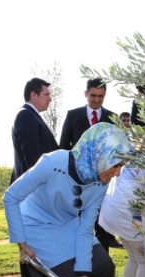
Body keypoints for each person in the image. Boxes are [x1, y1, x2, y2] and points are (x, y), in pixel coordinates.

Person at [4, 122, 132, 277]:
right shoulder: (53, 163)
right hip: (35, 223)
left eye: (121, 166)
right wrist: (20, 242)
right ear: (99, 154)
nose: (117, 173)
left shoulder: (101, 182)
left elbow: (84, 228)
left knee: (103, 268)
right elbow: (10, 197)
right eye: (116, 164)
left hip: (67, 223)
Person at [59, 78, 122, 251]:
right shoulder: (73, 116)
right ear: (86, 93)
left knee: (102, 227)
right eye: (93, 95)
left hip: (102, 185)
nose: (96, 99)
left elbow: (117, 152)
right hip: (77, 185)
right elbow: (64, 148)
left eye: (101, 96)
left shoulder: (112, 118)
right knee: (78, 227)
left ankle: (101, 268)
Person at [11, 77, 60, 277]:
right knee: (31, 236)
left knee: (33, 234)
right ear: (34, 94)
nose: (50, 99)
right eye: (47, 94)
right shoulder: (25, 117)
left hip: (33, 189)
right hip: (31, 190)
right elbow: (33, 158)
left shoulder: (32, 117)